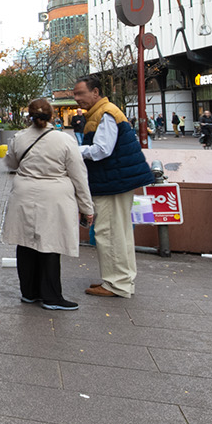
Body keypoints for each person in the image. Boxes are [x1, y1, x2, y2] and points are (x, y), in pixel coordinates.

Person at [3, 98, 94, 310]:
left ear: (29, 116)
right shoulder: (64, 140)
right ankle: (51, 296)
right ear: (52, 116)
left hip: (24, 194)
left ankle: (29, 292)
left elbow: (11, 163)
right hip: (55, 197)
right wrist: (86, 208)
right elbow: (79, 176)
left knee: (25, 242)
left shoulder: (19, 138)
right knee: (51, 244)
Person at [71, 75, 147, 299]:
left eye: (80, 93)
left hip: (112, 182)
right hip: (117, 180)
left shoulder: (105, 113)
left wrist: (74, 150)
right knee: (120, 232)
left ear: (95, 92)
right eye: (75, 94)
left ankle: (116, 283)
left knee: (109, 232)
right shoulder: (105, 111)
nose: (77, 98)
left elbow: (102, 150)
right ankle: (121, 279)